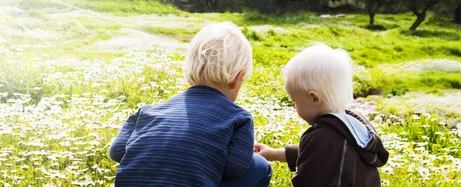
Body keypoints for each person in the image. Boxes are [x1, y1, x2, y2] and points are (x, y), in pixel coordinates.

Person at [109, 22, 271, 187]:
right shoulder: (239, 118)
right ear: (238, 78)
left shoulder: (146, 112)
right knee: (260, 166)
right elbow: (235, 167)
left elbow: (116, 152)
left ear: (188, 74)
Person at [254, 43, 389, 187]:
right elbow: (311, 151)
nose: (295, 107)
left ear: (314, 98)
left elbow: (308, 177)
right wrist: (272, 153)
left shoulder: (323, 138)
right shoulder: (351, 127)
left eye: (295, 101)